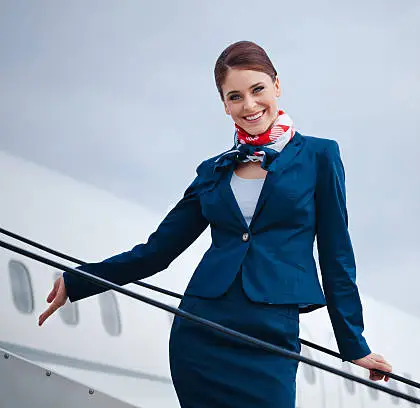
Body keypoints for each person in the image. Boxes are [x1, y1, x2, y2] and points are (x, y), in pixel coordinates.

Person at [38, 40, 392, 407]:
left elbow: (336, 255)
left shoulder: (320, 156)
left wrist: (353, 344)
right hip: (201, 333)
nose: (249, 105)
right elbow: (157, 252)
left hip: (270, 336)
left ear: (277, 86)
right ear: (225, 105)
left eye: (257, 90)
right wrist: (78, 280)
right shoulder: (214, 171)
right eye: (235, 96)